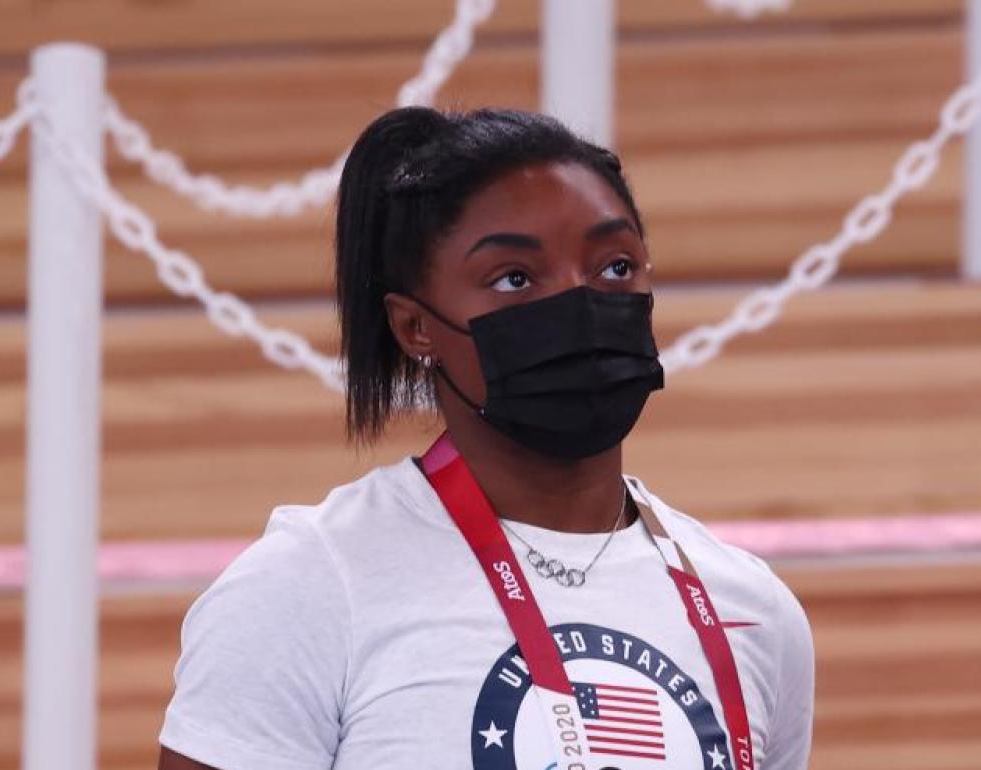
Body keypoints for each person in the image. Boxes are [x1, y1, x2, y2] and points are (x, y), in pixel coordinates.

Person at [157, 106, 814, 770]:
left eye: (616, 267)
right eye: (514, 279)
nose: (578, 305)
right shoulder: (309, 585)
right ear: (415, 327)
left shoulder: (753, 608)